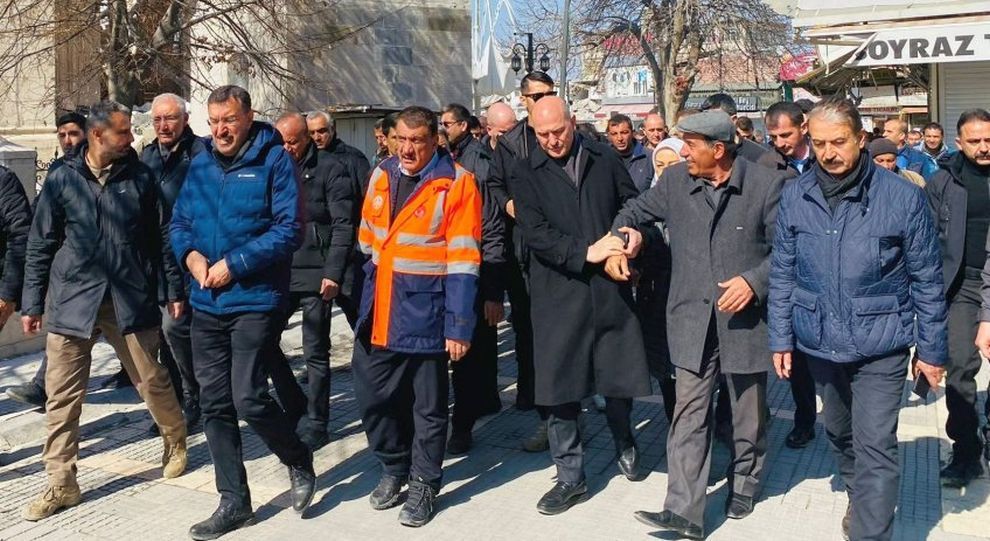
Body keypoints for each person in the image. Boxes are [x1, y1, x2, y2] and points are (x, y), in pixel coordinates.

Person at [769, 97, 947, 541]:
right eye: (820, 143)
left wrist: (931, 351)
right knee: (838, 432)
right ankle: (860, 495)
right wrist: (780, 338)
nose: (829, 153)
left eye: (839, 142)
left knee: (876, 446)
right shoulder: (795, 195)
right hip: (820, 340)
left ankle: (870, 531)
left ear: (861, 139)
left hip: (881, 343)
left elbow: (927, 279)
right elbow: (783, 272)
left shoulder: (902, 197)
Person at [609, 110, 785, 539]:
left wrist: (754, 282)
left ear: (718, 149)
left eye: (690, 145)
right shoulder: (675, 181)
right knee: (688, 414)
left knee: (747, 413)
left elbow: (788, 251)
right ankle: (683, 511)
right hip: (691, 319)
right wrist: (626, 237)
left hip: (744, 320)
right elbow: (632, 211)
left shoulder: (766, 185)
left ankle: (745, 482)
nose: (683, 152)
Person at [20, 100, 188, 522]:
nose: (131, 137)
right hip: (73, 299)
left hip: (127, 297)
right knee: (61, 395)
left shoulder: (140, 177)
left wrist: (172, 289)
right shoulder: (62, 178)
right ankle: (62, 483)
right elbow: (41, 242)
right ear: (98, 135)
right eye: (123, 131)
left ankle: (175, 437)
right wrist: (32, 301)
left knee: (150, 379)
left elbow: (162, 239)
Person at [170, 86, 316, 539]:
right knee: (214, 404)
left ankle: (297, 457)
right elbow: (179, 223)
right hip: (206, 301)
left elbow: (289, 230)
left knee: (248, 397)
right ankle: (234, 501)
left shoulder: (274, 161)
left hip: (255, 299)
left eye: (229, 120)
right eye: (214, 122)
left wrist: (234, 265)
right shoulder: (200, 163)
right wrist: (191, 257)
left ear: (249, 117)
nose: (220, 130)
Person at [509, 96, 650, 514]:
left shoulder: (604, 158)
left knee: (617, 375)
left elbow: (630, 205)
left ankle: (625, 440)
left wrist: (626, 239)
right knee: (560, 387)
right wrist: (586, 252)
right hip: (558, 290)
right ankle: (570, 476)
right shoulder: (524, 171)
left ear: (573, 122)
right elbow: (535, 232)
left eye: (559, 131)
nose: (552, 140)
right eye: (543, 134)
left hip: (609, 286)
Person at [353, 105, 481, 527]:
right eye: (401, 140)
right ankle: (394, 465)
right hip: (381, 307)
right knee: (372, 396)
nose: (407, 149)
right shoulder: (381, 173)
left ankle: (424, 483)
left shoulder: (457, 183)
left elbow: (464, 260)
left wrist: (458, 326)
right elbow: (368, 240)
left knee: (428, 408)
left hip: (427, 312)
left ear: (435, 141)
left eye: (417, 141)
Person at [272, 112, 355, 450]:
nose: (287, 148)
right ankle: (296, 405)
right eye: (282, 142)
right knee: (263, 341)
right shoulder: (274, 167)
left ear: (306, 138)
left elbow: (343, 225)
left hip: (316, 274)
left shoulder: (331, 168)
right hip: (281, 270)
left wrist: (333, 273)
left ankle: (318, 422)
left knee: (315, 351)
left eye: (293, 141)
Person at [487, 71, 554, 452]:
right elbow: (495, 184)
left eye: (548, 93)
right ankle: (532, 393)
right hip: (522, 247)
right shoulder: (510, 142)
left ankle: (564, 399)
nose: (542, 100)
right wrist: (509, 204)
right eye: (536, 96)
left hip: (559, 243)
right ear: (524, 99)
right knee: (527, 327)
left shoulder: (567, 132)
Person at [6, 111, 89, 410]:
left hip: (104, 271)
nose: (68, 141)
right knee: (65, 333)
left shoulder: (99, 168)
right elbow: (42, 217)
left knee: (143, 354)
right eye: (62, 135)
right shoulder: (58, 168)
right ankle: (45, 388)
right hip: (68, 268)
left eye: (73, 134)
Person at [440, 103, 507, 455]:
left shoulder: (473, 169)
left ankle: (464, 424)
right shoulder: (422, 174)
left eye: (446, 125)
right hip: (434, 281)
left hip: (470, 275)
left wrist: (493, 291)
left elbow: (492, 230)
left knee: (468, 353)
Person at [931, 109, 990, 488]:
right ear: (959, 143)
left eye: (989, 140)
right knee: (960, 368)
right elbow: (926, 236)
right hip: (961, 286)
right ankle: (966, 451)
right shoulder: (943, 181)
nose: (983, 147)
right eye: (975, 141)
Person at [141, 93, 206, 435]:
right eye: (157, 120)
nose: (163, 126)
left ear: (185, 120)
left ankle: (195, 398)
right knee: (162, 337)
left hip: (189, 255)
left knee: (177, 329)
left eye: (170, 119)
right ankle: (174, 404)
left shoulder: (201, 154)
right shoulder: (147, 156)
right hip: (154, 259)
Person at [756, 101, 819, 449]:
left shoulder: (825, 156)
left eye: (786, 134)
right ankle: (804, 420)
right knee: (798, 354)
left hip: (827, 263)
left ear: (803, 127)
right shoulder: (765, 165)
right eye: (774, 136)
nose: (780, 142)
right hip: (788, 267)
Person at [699, 93, 769, 163]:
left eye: (714, 119)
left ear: (733, 120)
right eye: (705, 119)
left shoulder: (758, 156)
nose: (709, 125)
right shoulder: (698, 152)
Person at [606, 114, 653, 193]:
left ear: (632, 133)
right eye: (614, 134)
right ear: (609, 136)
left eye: (624, 133)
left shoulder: (648, 158)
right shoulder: (603, 158)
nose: (619, 138)